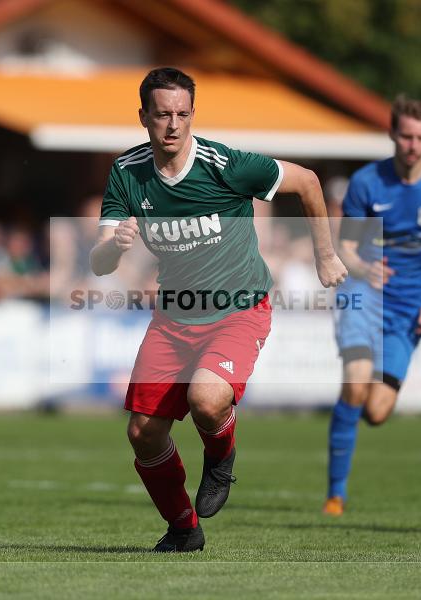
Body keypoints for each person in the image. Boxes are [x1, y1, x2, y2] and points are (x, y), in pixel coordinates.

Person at [90, 67, 346, 552]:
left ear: (192, 115)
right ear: (143, 116)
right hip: (173, 318)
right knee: (143, 432)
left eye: (182, 113)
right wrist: (114, 247)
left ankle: (220, 456)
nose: (173, 124)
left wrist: (325, 254)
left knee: (207, 399)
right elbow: (100, 261)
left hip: (238, 308)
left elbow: (309, 181)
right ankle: (184, 530)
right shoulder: (127, 173)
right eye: (162, 114)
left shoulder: (225, 164)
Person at [324, 95, 421, 516]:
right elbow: (347, 246)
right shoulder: (367, 183)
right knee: (355, 383)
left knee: (376, 410)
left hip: (412, 306)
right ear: (392, 134)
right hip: (363, 296)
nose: (412, 145)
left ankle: (346, 459)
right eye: (406, 136)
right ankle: (335, 494)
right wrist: (361, 267)